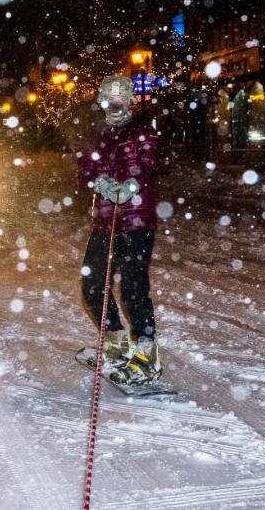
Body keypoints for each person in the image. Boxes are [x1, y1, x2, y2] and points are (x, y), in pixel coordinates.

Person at [77, 75, 162, 385]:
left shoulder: (142, 132)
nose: (113, 106)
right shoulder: (96, 136)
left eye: (119, 99)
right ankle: (115, 340)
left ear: (129, 100)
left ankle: (146, 353)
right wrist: (99, 182)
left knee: (133, 287)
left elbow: (149, 164)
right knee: (91, 284)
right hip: (105, 220)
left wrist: (132, 185)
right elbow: (85, 169)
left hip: (137, 220)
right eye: (107, 99)